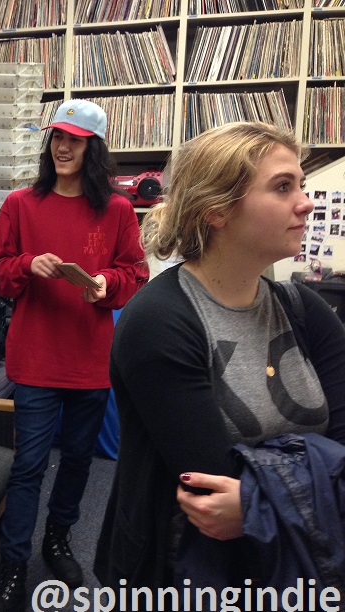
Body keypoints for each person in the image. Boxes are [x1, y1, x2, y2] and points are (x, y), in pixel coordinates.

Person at [95, 122, 345, 593]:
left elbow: (242, 505)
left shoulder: (305, 310)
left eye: (302, 185)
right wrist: (319, 471)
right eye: (283, 186)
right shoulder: (160, 320)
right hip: (182, 574)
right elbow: (210, 492)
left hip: (302, 568)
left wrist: (258, 500)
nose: (306, 202)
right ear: (217, 210)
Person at [0, 99, 149, 610]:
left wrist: (104, 282)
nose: (62, 145)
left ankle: (58, 538)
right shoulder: (19, 204)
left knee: (77, 458)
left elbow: (136, 274)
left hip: (91, 361)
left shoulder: (117, 210)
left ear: (93, 148)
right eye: (57, 136)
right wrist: (28, 265)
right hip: (35, 358)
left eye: (74, 139)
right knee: (28, 463)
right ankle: (14, 559)